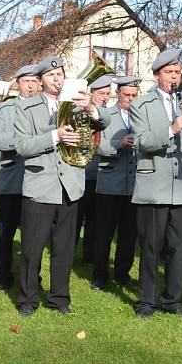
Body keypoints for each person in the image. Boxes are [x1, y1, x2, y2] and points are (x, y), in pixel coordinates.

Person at [14, 55, 103, 315]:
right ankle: (27, 299)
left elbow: (104, 123)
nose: (57, 79)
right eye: (51, 75)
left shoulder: (76, 103)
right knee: (32, 249)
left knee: (64, 250)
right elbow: (22, 146)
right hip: (40, 187)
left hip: (70, 186)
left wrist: (91, 109)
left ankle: (60, 299)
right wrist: (55, 135)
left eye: (60, 74)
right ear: (41, 81)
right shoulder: (26, 108)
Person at [130, 49, 182, 317]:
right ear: (157, 75)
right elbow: (140, 141)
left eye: (178, 72)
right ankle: (147, 300)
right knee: (151, 246)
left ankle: (173, 300)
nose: (175, 77)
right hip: (154, 185)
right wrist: (171, 129)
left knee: (179, 246)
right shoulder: (141, 105)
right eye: (170, 73)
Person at [0, 64, 40, 290]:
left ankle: (32, 278)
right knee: (6, 233)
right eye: (26, 81)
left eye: (35, 81)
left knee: (34, 236)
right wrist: (21, 143)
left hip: (39, 180)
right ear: (17, 84)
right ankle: (3, 275)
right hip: (12, 180)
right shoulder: (4, 109)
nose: (31, 85)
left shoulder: (47, 109)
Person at [91, 75, 141, 290]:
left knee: (129, 235)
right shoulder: (106, 116)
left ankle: (123, 273)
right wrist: (117, 145)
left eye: (134, 95)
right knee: (103, 233)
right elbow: (95, 146)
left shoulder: (142, 116)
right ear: (117, 94)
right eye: (126, 95)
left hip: (135, 185)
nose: (130, 99)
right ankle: (99, 275)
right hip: (110, 182)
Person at [75, 74, 113, 262]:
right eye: (101, 93)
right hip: (84, 173)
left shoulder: (110, 114)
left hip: (102, 175)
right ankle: (69, 250)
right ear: (91, 94)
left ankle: (89, 254)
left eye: (108, 93)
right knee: (76, 217)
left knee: (95, 220)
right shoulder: (82, 112)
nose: (105, 97)